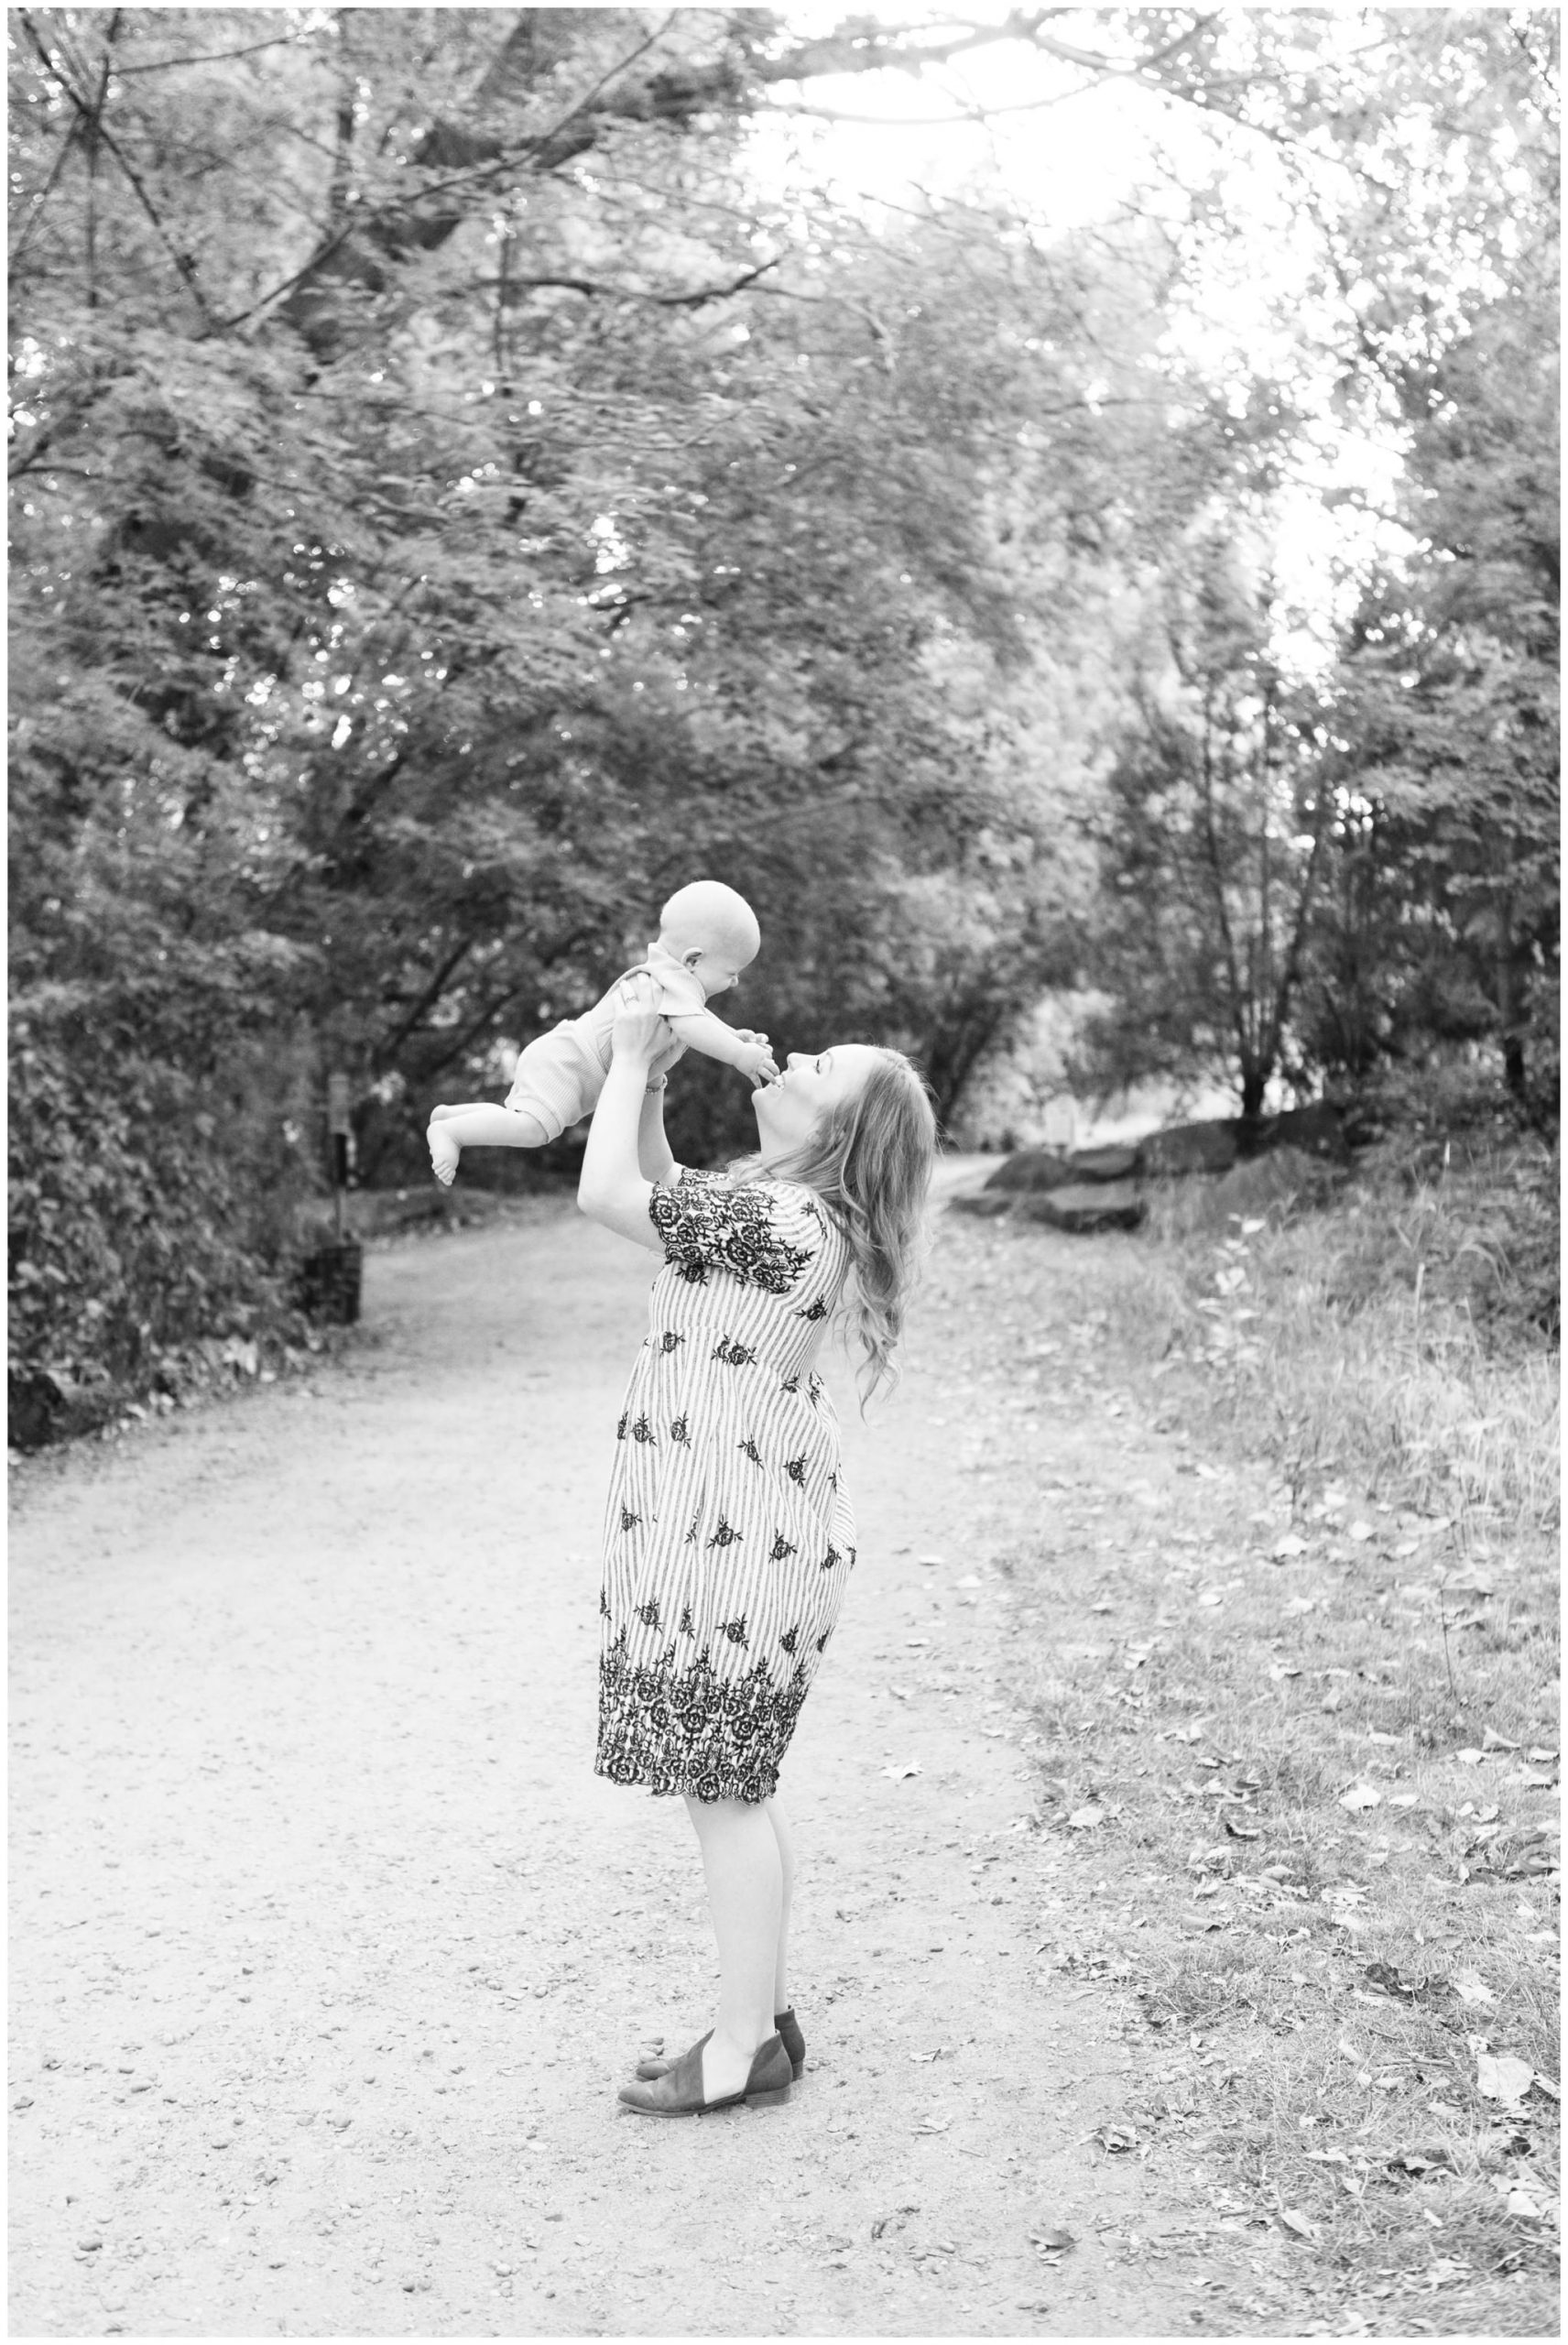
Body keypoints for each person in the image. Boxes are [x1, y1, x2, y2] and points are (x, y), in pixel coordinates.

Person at [576, 971, 937, 2116]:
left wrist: (628, 1056)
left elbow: (605, 1197)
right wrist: (657, 1085)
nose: (794, 1058)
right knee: (733, 1784)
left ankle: (740, 2048)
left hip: (730, 1548)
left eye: (824, 1070)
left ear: (839, 1134)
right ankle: (761, 2019)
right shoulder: (777, 1214)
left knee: (721, 1791)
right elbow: (663, 1186)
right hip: (731, 1531)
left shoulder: (783, 1221)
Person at [425, 879, 777, 1186]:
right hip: (571, 1064)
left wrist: (735, 1035)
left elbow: (698, 1018)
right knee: (533, 1131)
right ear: (693, 960)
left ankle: (451, 1116)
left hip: (566, 1056)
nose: (735, 981)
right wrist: (738, 1055)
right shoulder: (670, 983)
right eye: (731, 971)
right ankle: (451, 1133)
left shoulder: (669, 982)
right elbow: (691, 1024)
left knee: (519, 1118)